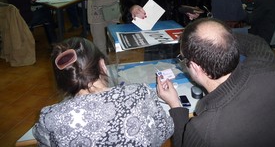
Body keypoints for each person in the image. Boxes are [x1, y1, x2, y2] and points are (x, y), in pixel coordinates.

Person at [157, 18, 275, 147]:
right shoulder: (272, 68)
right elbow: (257, 42)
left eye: (183, 58)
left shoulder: (203, 130)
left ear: (196, 67)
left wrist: (175, 104)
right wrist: (220, 39)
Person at [33, 37, 174, 146]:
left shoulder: (50, 117)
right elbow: (163, 132)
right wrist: (175, 103)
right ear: (102, 65)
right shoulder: (141, 93)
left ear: (63, 80)